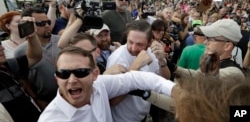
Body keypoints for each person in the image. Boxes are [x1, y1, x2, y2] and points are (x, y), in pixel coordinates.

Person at [38, 46, 176, 122]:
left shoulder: (99, 85)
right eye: (64, 73)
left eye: (80, 72)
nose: (72, 79)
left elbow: (137, 78)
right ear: (56, 78)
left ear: (95, 75)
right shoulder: (51, 119)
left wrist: (174, 90)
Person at [106, 20, 171, 122]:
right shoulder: (117, 58)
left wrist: (161, 60)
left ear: (149, 43)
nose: (133, 48)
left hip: (142, 115)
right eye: (130, 42)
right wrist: (135, 67)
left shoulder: (152, 51)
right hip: (122, 119)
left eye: (140, 44)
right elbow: (112, 101)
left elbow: (165, 79)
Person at [14, 6, 61, 110]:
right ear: (29, 25)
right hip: (46, 102)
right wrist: (36, 99)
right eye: (41, 23)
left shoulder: (62, 42)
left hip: (70, 96)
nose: (47, 25)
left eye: (48, 22)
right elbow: (24, 80)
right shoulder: (20, 51)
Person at [0, 16, 43, 121]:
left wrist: (32, 37)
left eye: (0, 43)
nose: (2, 47)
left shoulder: (6, 66)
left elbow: (34, 56)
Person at [174, 19, 245, 78]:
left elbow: (203, 77)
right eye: (206, 38)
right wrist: (170, 66)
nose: (205, 42)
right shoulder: (213, 63)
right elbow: (197, 74)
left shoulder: (234, 73)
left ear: (227, 46)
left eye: (211, 39)